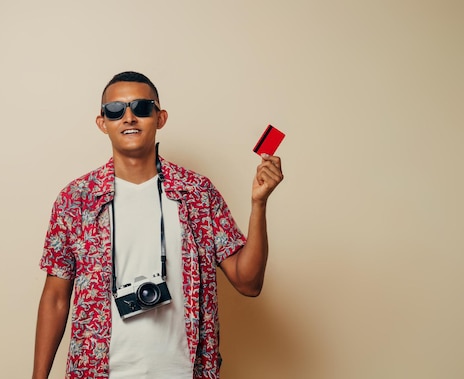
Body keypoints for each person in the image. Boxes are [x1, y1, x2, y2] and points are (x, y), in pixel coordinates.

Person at [32, 71, 283, 379]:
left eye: (141, 107)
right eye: (115, 110)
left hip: (183, 372)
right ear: (102, 123)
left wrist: (259, 204)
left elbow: (249, 283)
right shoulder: (77, 200)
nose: (128, 118)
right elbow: (56, 298)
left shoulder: (197, 193)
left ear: (160, 117)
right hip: (98, 372)